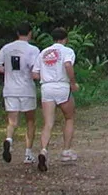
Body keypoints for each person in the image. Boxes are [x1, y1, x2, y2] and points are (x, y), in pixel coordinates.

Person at [0, 23, 41, 165]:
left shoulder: (7, 48)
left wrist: (7, 71)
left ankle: (9, 140)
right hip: (26, 89)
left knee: (12, 121)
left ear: (17, 33)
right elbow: (35, 69)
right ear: (30, 33)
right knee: (30, 120)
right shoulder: (33, 50)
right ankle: (28, 153)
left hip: (10, 89)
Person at [31, 27, 78, 172]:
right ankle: (66, 151)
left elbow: (35, 74)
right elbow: (67, 65)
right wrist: (72, 81)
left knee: (48, 123)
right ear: (65, 39)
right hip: (62, 86)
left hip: (47, 88)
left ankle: (43, 150)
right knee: (69, 117)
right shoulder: (67, 51)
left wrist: (46, 76)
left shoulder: (43, 52)